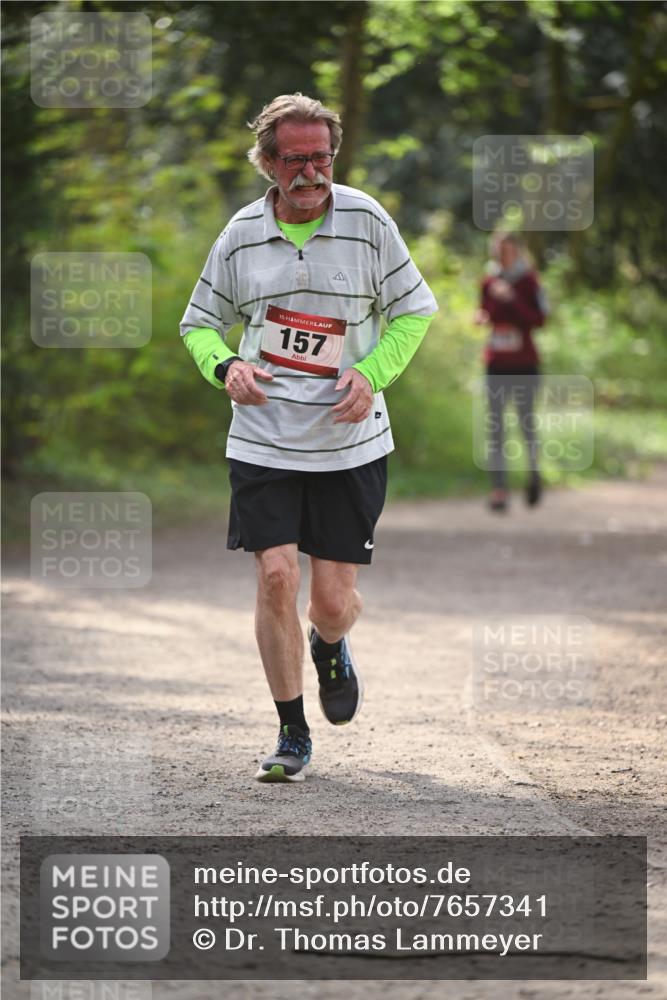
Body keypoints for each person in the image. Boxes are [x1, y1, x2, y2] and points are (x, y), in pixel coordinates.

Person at [180, 94, 437, 783]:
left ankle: (331, 644)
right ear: (266, 162)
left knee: (329, 600)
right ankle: (291, 731)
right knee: (274, 576)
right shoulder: (239, 234)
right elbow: (198, 323)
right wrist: (225, 364)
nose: (311, 173)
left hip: (348, 442)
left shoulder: (365, 221)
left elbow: (414, 311)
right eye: (295, 160)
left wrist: (371, 373)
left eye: (322, 158)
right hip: (263, 438)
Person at [474, 232, 548, 512]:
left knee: (526, 424)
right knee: (496, 427)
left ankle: (534, 477)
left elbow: (539, 319)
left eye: (508, 251)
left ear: (517, 252)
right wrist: (483, 315)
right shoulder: (489, 281)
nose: (502, 256)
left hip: (525, 365)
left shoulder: (529, 281)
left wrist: (512, 298)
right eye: (499, 251)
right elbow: (486, 311)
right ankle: (499, 490)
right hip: (496, 365)